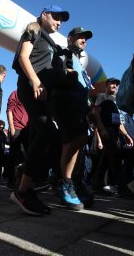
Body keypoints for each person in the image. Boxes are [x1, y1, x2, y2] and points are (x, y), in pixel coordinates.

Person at [10, 5, 69, 216]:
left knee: (46, 135)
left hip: (45, 92)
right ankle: (23, 190)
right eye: (56, 17)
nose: (59, 22)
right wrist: (35, 81)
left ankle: (28, 176)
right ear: (44, 15)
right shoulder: (33, 29)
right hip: (31, 86)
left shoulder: (52, 42)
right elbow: (23, 57)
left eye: (62, 19)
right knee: (47, 132)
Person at [49, 27, 97, 209]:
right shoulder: (64, 53)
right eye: (80, 37)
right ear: (70, 38)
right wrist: (69, 78)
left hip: (77, 106)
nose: (84, 40)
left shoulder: (77, 60)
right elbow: (57, 76)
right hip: (65, 103)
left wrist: (88, 109)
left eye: (86, 38)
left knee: (77, 143)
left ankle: (66, 180)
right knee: (74, 140)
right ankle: (64, 182)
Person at [93, 78, 134, 197]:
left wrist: (126, 135)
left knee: (105, 160)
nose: (115, 86)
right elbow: (96, 113)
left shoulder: (117, 101)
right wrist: (103, 129)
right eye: (112, 83)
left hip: (115, 132)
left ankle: (97, 186)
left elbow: (118, 121)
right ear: (106, 85)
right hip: (107, 131)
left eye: (116, 84)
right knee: (116, 158)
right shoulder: (102, 96)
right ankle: (123, 189)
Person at [4, 90, 29, 189]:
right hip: (17, 128)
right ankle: (10, 181)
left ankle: (22, 181)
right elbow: (9, 110)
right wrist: (12, 127)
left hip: (28, 128)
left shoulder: (31, 94)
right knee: (14, 154)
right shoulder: (16, 93)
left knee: (26, 154)